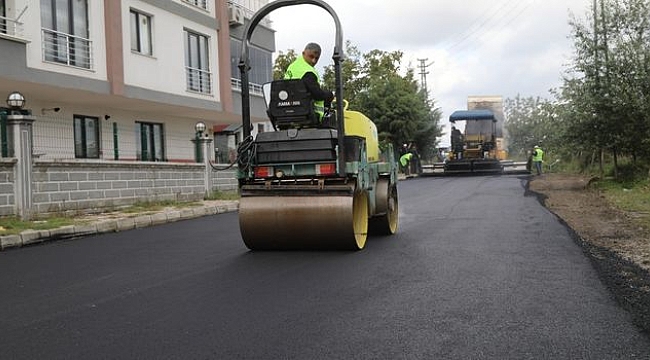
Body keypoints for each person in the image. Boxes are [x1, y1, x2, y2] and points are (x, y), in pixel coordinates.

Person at [284, 43, 334, 124]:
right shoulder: (308, 71)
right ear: (303, 53)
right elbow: (318, 95)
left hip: (288, 111)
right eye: (311, 56)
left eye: (316, 58)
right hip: (307, 114)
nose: (313, 61)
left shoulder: (292, 66)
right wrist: (330, 95)